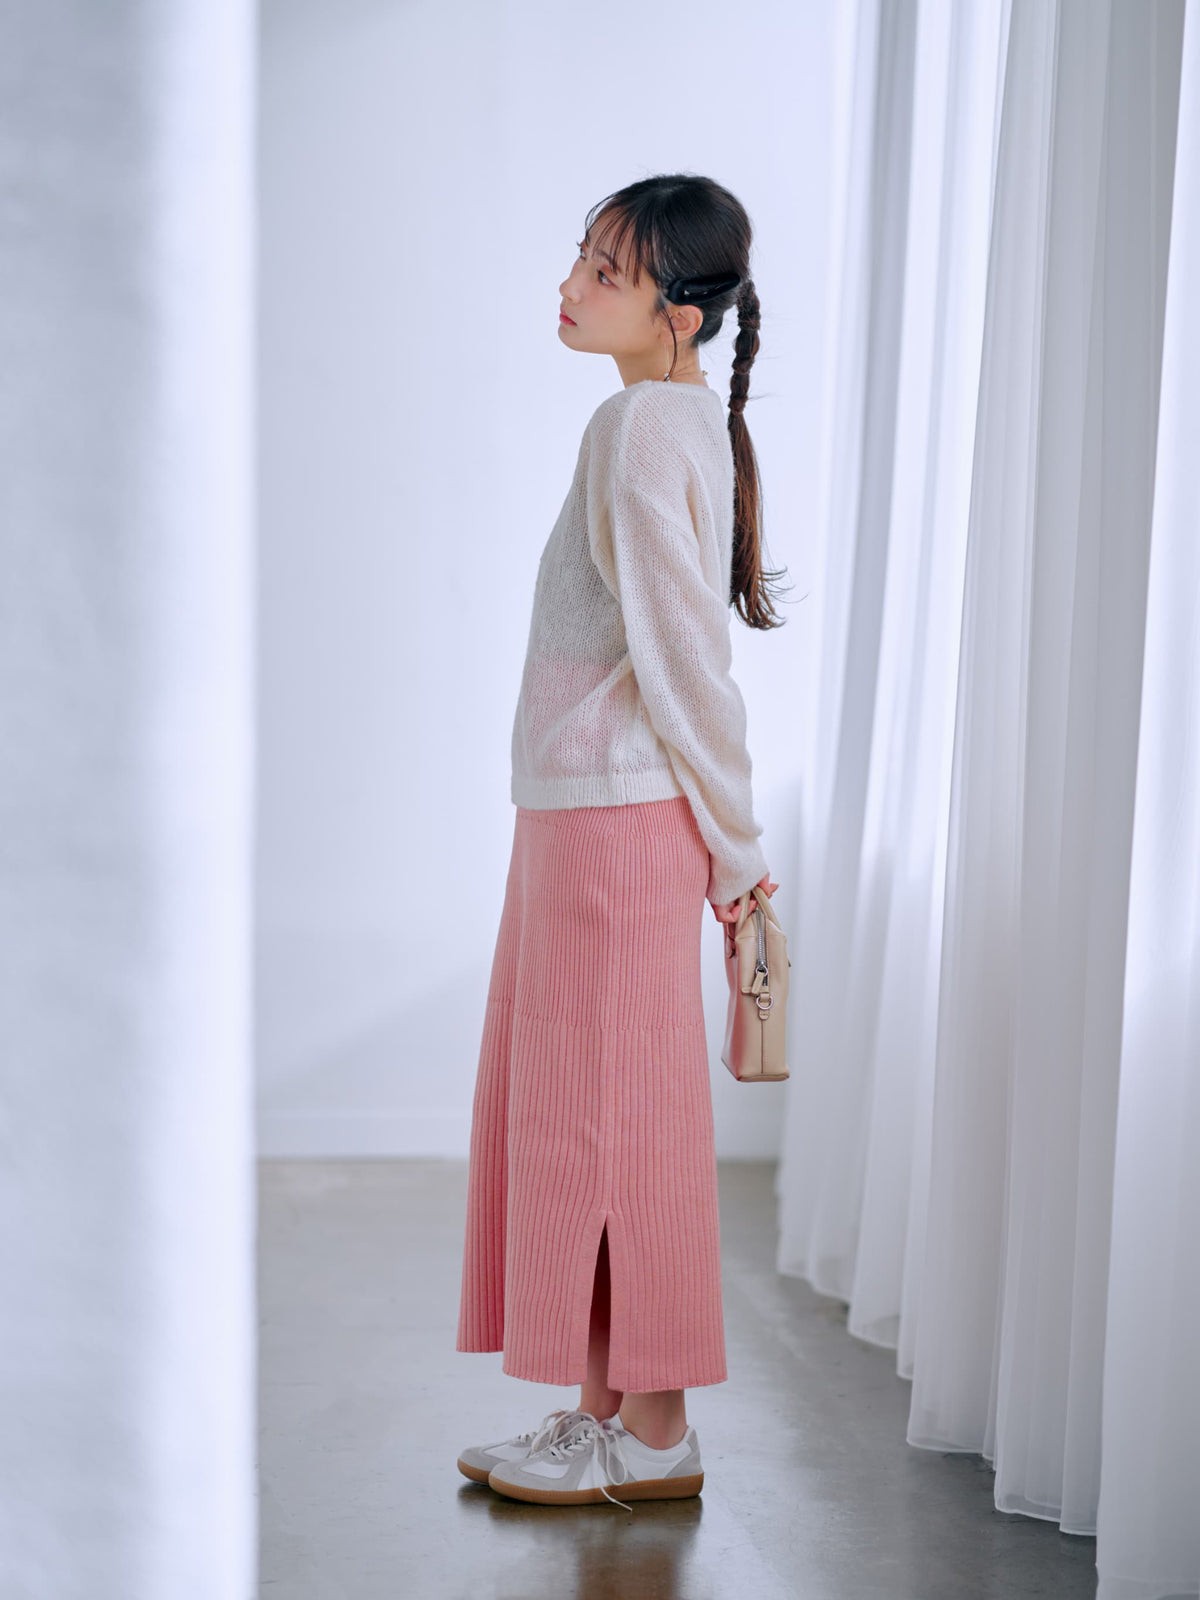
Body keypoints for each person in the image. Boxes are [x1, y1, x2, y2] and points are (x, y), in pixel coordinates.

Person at [455, 173, 788, 1510]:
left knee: (606, 1128)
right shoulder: (670, 419)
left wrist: (737, 849)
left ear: (680, 315)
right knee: (599, 1121)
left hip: (614, 822)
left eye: (608, 270)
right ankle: (614, 1423)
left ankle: (652, 1437)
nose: (574, 286)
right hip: (595, 818)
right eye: (582, 259)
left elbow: (686, 658)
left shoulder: (644, 426)